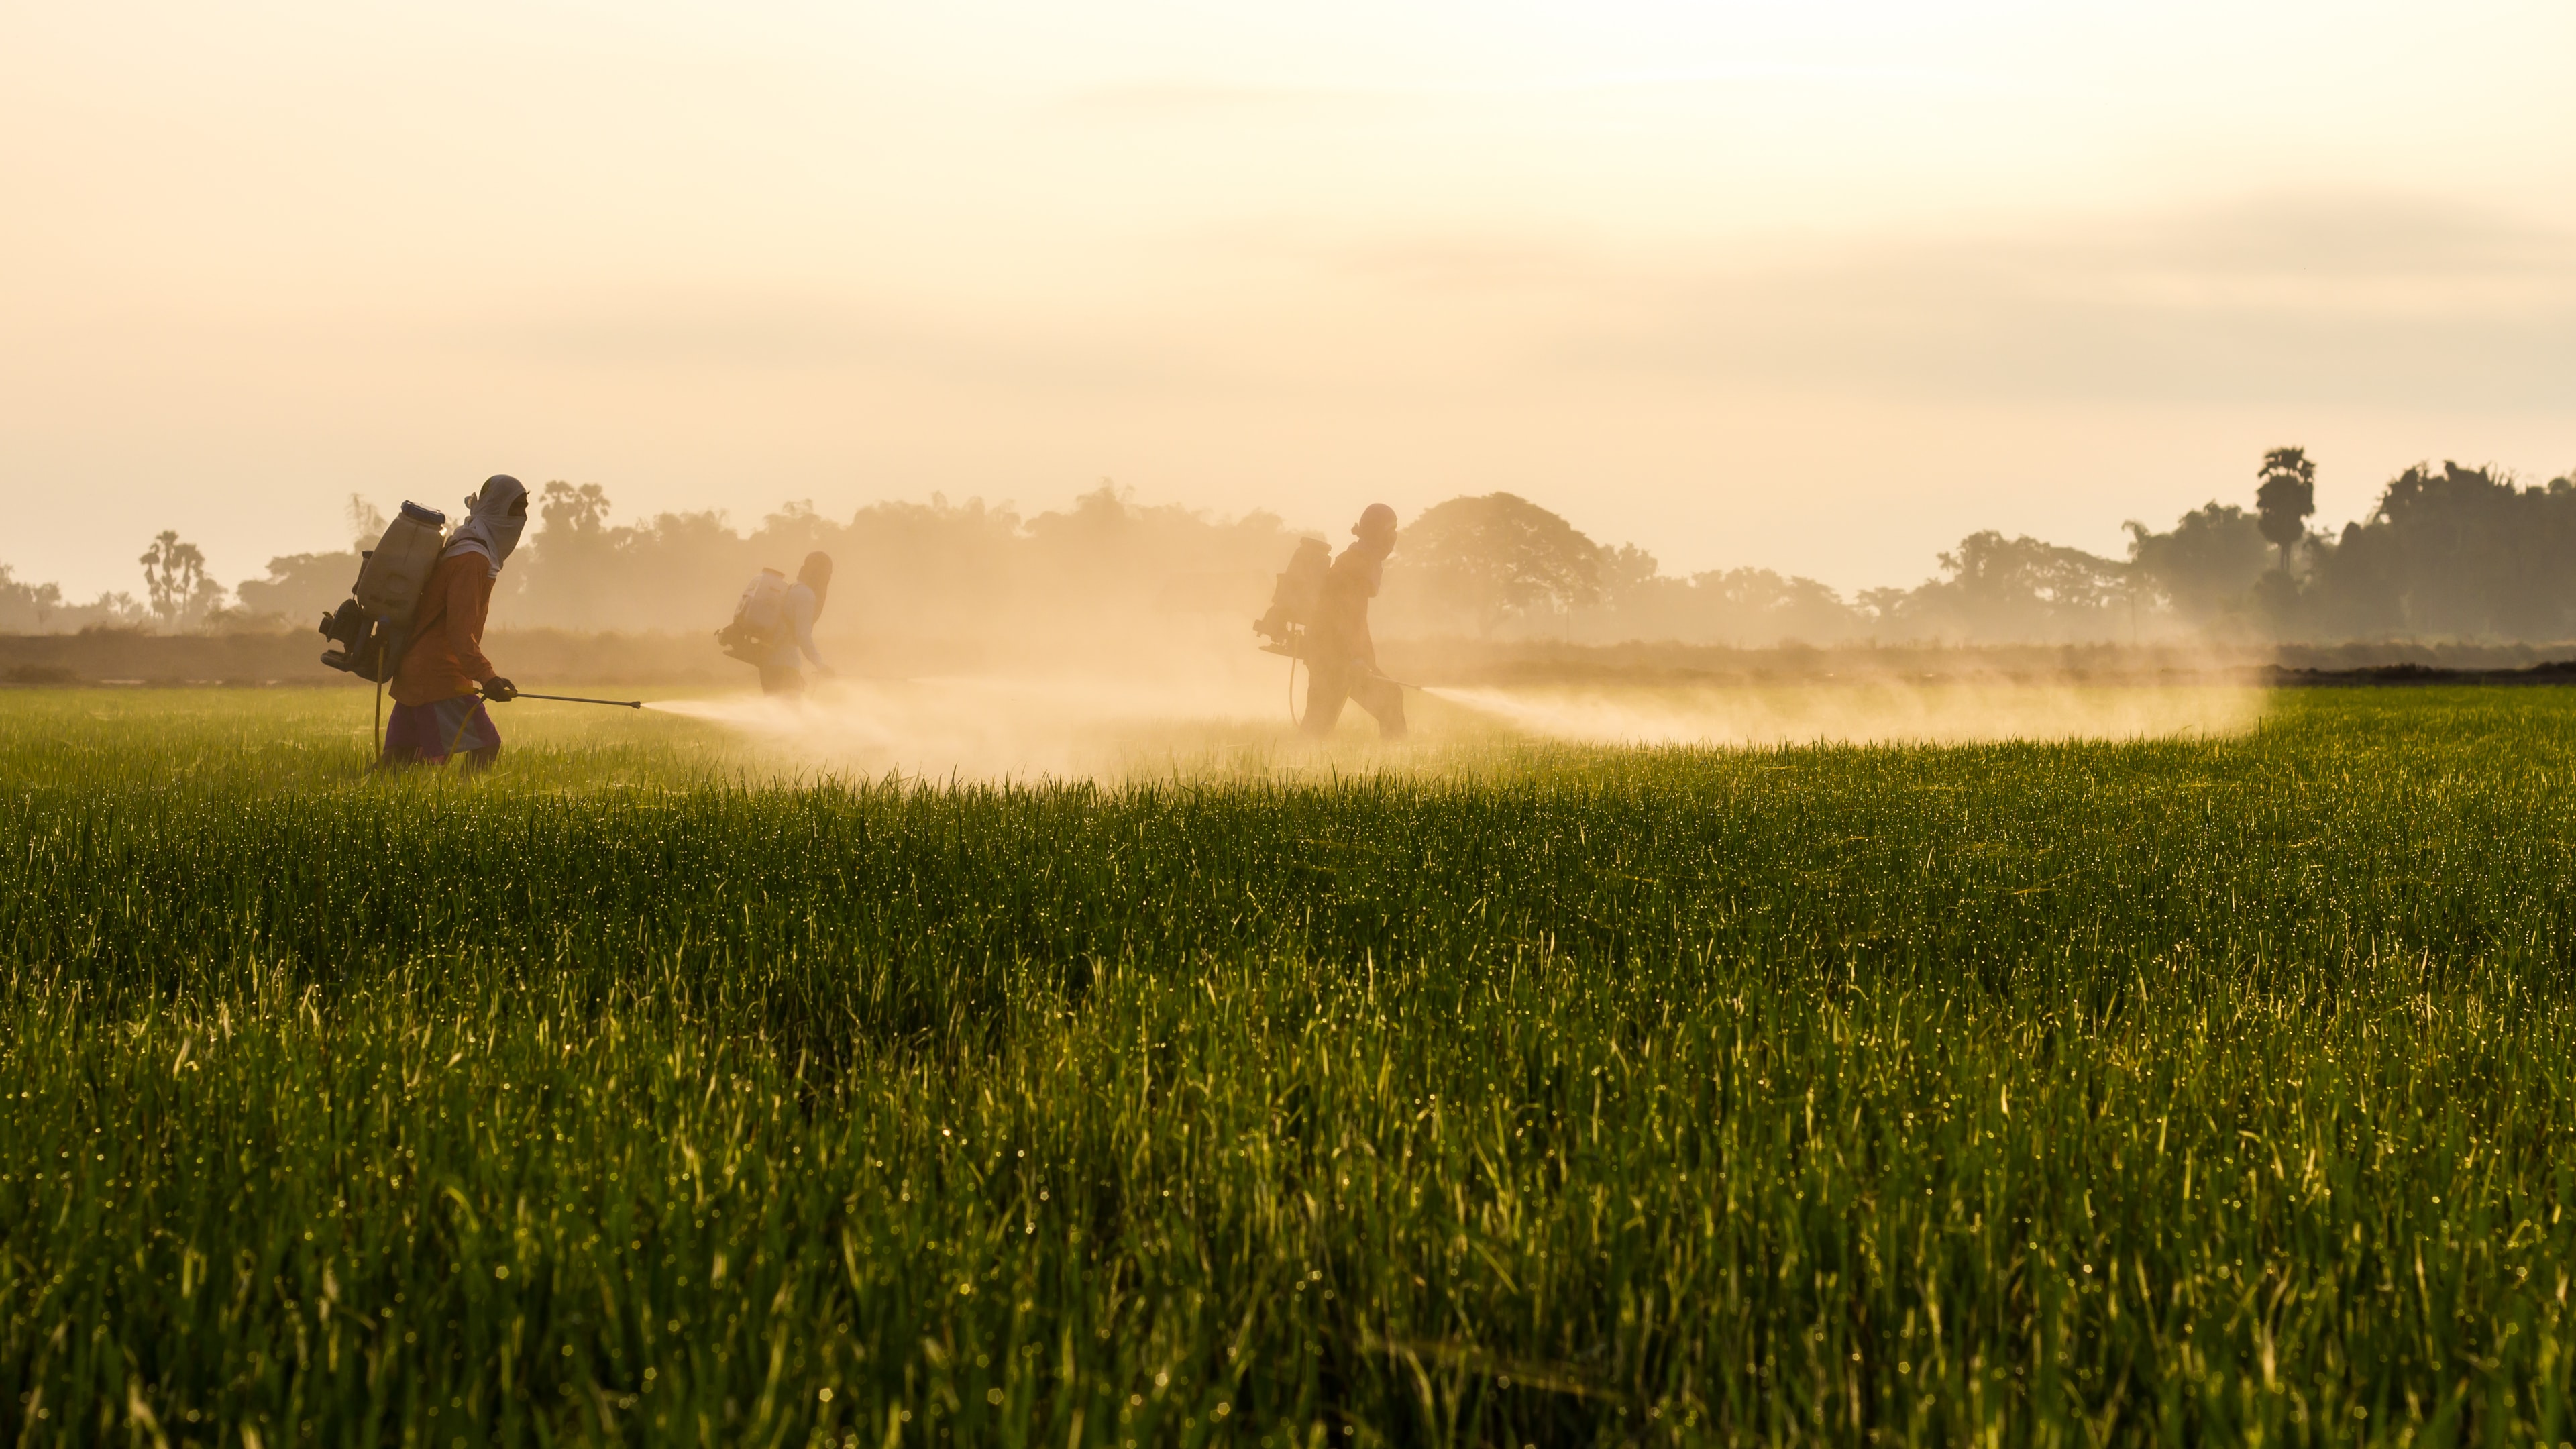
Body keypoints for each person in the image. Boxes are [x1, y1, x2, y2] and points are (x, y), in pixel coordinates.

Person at [381, 475, 525, 771]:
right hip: (439, 676)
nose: (523, 518)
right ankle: (464, 810)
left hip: (416, 670)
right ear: (498, 510)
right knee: (486, 745)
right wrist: (489, 678)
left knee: (396, 763)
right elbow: (459, 633)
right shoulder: (473, 559)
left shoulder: (463, 545)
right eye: (517, 508)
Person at [1301, 504, 1407, 740]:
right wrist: (1355, 659)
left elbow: (1351, 619)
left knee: (1315, 728)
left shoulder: (1357, 560)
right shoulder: (1357, 565)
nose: (1394, 539)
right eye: (1392, 531)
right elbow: (1344, 619)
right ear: (1379, 534)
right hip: (1335, 660)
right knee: (1316, 729)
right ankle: (1398, 769)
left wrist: (1361, 658)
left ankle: (1397, 769)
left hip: (1332, 657)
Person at [741, 551, 835, 696]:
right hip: (784, 665)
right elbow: (803, 635)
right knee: (791, 714)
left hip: (769, 664)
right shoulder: (806, 596)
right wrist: (820, 664)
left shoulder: (792, 589)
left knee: (779, 713)